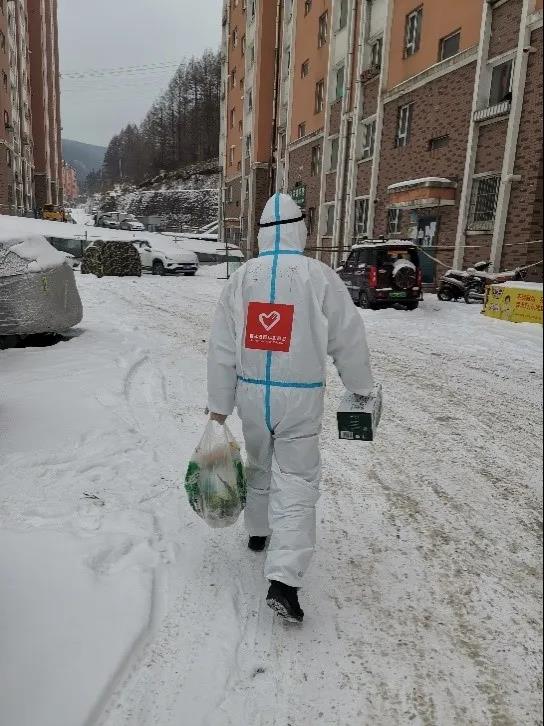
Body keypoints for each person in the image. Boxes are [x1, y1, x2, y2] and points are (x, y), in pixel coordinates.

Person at [207, 193, 374, 623]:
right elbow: (348, 338)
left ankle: (258, 532)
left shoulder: (242, 278)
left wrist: (219, 406)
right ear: (300, 228)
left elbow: (221, 347)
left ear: (263, 232)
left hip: (251, 395)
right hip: (300, 396)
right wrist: (361, 389)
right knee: (298, 480)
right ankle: (284, 580)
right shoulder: (319, 276)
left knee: (258, 462)